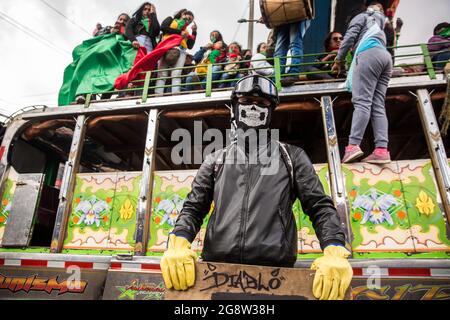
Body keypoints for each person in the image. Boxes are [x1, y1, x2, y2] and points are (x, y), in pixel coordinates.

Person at [160, 75, 353, 300]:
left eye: (262, 103)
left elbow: (320, 207)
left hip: (276, 280)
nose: (254, 106)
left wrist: (335, 249)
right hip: (216, 276)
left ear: (271, 111)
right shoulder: (215, 159)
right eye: (247, 100)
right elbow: (193, 207)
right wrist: (178, 242)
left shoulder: (292, 157)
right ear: (234, 107)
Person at [333, 2, 393, 164]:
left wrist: (339, 60)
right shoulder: (380, 23)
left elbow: (349, 38)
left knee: (362, 102)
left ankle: (353, 146)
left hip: (368, 53)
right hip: (385, 57)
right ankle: (381, 149)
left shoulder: (361, 17)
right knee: (378, 104)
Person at [155, 9, 197, 95]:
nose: (188, 21)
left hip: (181, 50)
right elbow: (163, 28)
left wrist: (194, 32)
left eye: (190, 21)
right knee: (162, 73)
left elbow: (190, 45)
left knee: (177, 73)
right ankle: (158, 95)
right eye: (188, 18)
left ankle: (175, 94)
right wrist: (179, 32)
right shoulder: (171, 19)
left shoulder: (186, 31)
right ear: (182, 14)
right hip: (167, 47)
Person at [271, 17, 311, 85]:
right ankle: (277, 77)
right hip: (282, 18)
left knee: (294, 44)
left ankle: (293, 73)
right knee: (279, 52)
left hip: (297, 15)